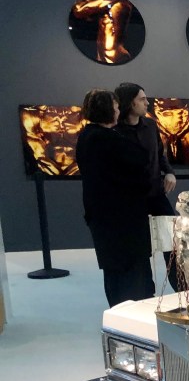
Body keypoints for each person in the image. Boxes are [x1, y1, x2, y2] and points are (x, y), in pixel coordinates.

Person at [76, 89, 152, 306]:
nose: (118, 111)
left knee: (114, 273)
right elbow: (139, 160)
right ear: (107, 110)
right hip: (122, 220)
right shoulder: (106, 139)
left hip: (104, 217)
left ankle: (120, 311)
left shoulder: (87, 136)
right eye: (116, 107)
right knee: (130, 275)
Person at [114, 82, 180, 290]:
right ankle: (145, 292)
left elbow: (159, 153)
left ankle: (181, 288)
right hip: (132, 200)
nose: (147, 103)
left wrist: (169, 172)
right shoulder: (115, 132)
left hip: (156, 193)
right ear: (130, 103)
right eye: (142, 99)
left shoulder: (150, 125)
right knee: (140, 247)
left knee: (172, 240)